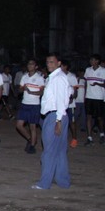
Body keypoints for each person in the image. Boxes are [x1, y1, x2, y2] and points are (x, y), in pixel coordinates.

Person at [32, 53, 72, 190]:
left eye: (52, 62)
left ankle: (45, 183)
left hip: (55, 115)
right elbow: (69, 92)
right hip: (57, 115)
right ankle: (62, 180)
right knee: (60, 150)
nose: (49, 64)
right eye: (48, 62)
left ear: (59, 63)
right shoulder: (54, 78)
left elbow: (61, 100)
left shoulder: (58, 78)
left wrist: (58, 120)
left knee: (49, 151)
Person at [17, 59, 44, 154]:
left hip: (34, 105)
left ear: (36, 67)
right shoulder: (24, 77)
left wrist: (31, 92)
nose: (29, 66)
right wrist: (22, 88)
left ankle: (32, 145)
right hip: (25, 103)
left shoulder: (40, 78)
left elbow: (41, 92)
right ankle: (30, 139)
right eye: (28, 64)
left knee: (32, 126)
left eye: (32, 64)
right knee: (19, 125)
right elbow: (19, 90)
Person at [83, 54, 105, 146]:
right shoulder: (88, 70)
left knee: (99, 117)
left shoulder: (103, 70)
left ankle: (102, 134)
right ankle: (89, 137)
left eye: (93, 60)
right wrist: (85, 95)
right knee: (88, 116)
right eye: (91, 60)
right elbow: (86, 83)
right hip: (89, 97)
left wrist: (98, 84)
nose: (91, 61)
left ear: (97, 61)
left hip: (98, 97)